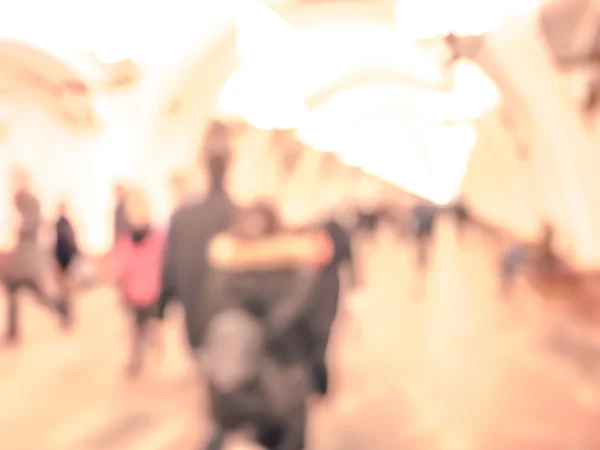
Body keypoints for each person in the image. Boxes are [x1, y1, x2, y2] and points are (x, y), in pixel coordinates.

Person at [202, 202, 332, 450]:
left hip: (234, 388)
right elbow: (316, 331)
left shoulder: (221, 272)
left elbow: (208, 328)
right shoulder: (300, 272)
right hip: (288, 387)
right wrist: (321, 382)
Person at [157, 152, 237, 353]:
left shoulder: (183, 217)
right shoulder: (238, 215)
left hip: (196, 313)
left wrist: (161, 307)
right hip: (229, 315)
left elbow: (170, 265)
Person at [3, 167, 69, 344]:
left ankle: (62, 309)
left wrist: (20, 224)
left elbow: (35, 223)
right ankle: (12, 334)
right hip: (19, 259)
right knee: (12, 289)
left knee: (38, 294)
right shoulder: (16, 202)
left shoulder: (32, 202)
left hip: (29, 259)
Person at [105, 187, 164, 377]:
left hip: (152, 292)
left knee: (147, 325)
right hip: (132, 292)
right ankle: (135, 361)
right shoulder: (127, 239)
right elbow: (117, 264)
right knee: (135, 328)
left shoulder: (157, 238)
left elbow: (164, 262)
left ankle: (152, 340)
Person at [53, 201, 78, 318]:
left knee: (64, 291)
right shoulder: (67, 224)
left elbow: (59, 244)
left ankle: (66, 314)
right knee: (66, 291)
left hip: (64, 262)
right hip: (66, 262)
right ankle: (67, 314)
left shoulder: (60, 224)